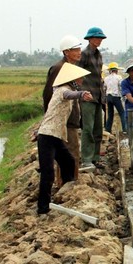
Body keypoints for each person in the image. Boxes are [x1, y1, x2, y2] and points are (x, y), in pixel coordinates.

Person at [37, 63, 93, 215]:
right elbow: (69, 95)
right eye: (79, 77)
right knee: (47, 172)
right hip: (47, 136)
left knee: (68, 161)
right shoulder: (63, 90)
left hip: (55, 135)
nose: (81, 80)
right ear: (72, 79)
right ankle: (43, 207)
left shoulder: (62, 89)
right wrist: (82, 94)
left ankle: (68, 191)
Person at [42, 35, 83, 177]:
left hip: (70, 117)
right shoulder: (59, 68)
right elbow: (49, 95)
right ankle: (69, 184)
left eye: (79, 49)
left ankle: (67, 182)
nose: (79, 52)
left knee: (68, 152)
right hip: (63, 120)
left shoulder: (71, 68)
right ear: (66, 52)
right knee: (70, 152)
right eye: (75, 50)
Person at [78, 26, 107, 171]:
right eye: (97, 38)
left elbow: (99, 76)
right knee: (87, 129)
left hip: (98, 96)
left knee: (98, 129)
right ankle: (86, 160)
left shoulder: (98, 55)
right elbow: (77, 76)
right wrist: (80, 92)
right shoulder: (84, 54)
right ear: (90, 39)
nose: (99, 40)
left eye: (101, 38)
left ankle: (95, 158)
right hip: (87, 96)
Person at [104, 62, 127, 134]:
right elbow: (121, 87)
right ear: (116, 70)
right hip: (116, 97)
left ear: (110, 70)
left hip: (108, 97)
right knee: (122, 113)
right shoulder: (119, 77)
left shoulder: (106, 78)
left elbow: (105, 87)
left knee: (110, 114)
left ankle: (108, 129)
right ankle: (125, 129)